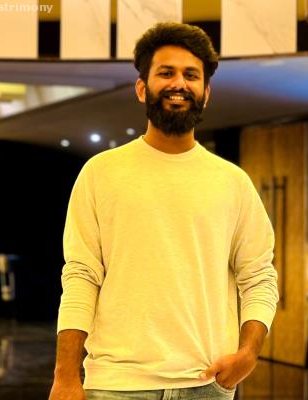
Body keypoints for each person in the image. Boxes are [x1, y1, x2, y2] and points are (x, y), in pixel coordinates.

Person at [49, 22, 279, 400]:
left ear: (206, 93)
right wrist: (65, 375)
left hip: (206, 385)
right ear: (142, 88)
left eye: (191, 75)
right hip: (117, 385)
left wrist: (248, 353)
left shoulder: (232, 182)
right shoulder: (101, 173)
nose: (179, 84)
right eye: (166, 73)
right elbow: (81, 276)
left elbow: (258, 276)